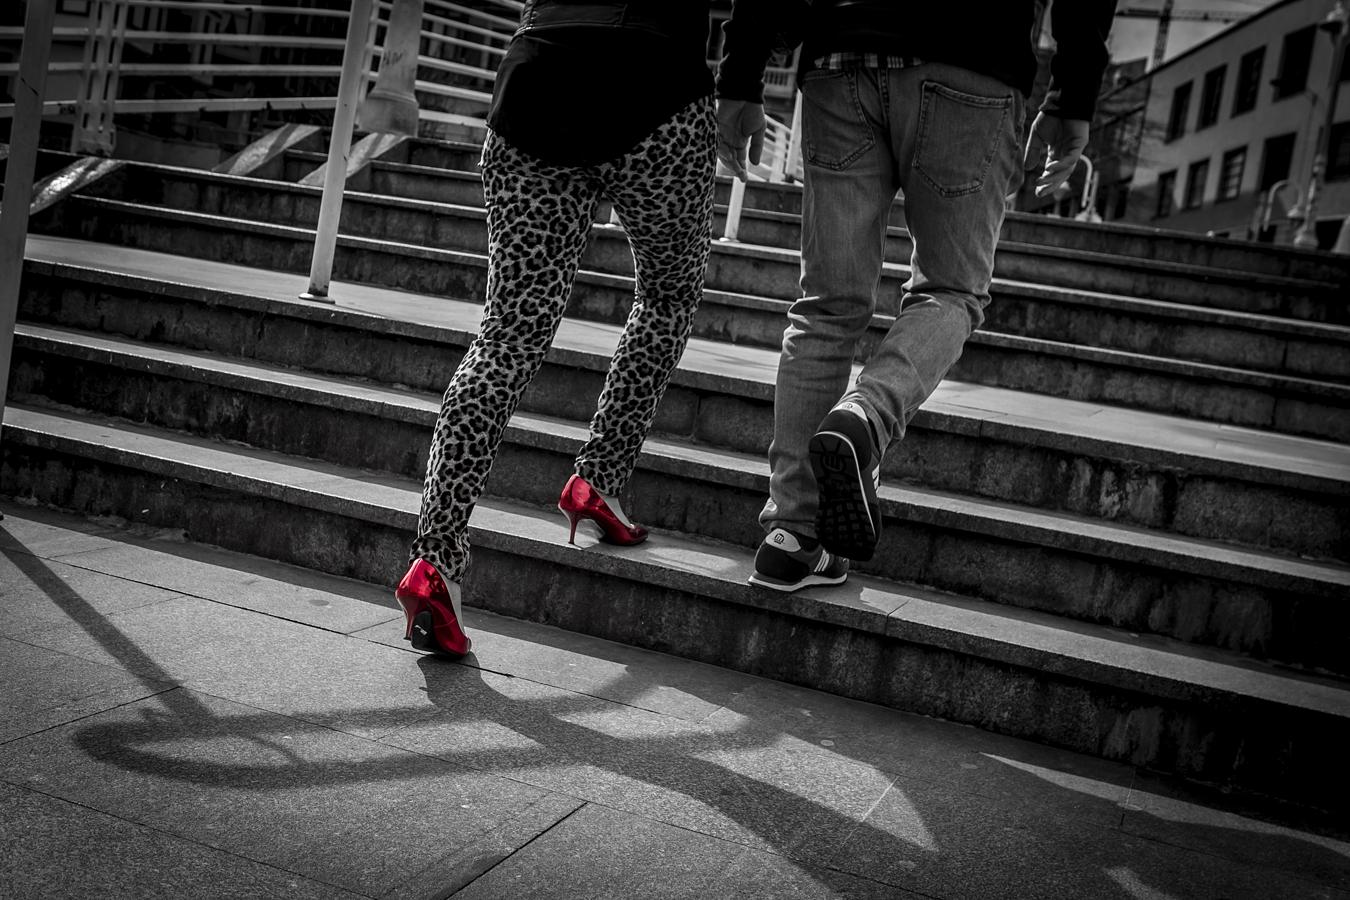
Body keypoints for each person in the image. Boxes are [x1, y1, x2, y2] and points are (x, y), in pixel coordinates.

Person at [715, 0, 1117, 592]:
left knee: (827, 305)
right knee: (951, 291)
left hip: (841, 53)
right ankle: (866, 414)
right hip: (971, 57)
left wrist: (741, 70)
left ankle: (792, 537)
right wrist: (1074, 92)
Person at [395, 1, 723, 656]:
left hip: (538, 73)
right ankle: (601, 474)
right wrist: (742, 82)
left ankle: (436, 558)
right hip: (656, 86)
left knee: (506, 330)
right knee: (668, 292)